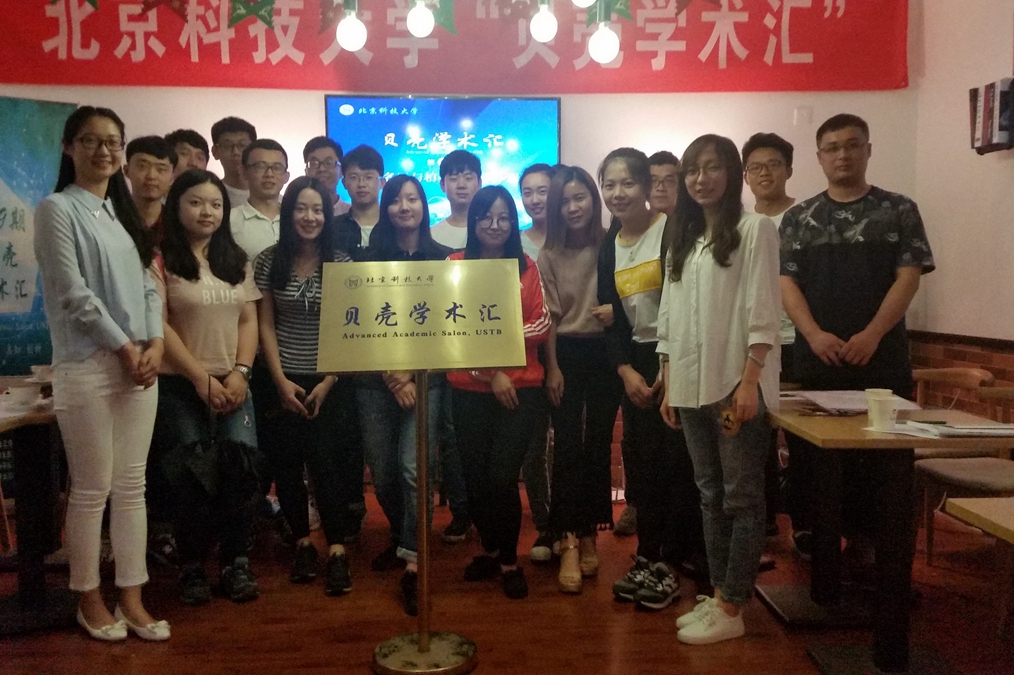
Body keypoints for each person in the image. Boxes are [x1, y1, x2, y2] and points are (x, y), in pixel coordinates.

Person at [779, 115, 934, 655]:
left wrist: (872, 334)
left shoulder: (898, 209)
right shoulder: (799, 217)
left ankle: (875, 563)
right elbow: (787, 282)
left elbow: (908, 277)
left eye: (851, 146)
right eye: (831, 148)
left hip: (881, 361)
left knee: (882, 471)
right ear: (819, 156)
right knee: (815, 467)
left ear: (868, 149)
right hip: (817, 359)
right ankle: (824, 563)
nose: (842, 155)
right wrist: (814, 334)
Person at [34, 106, 169, 641]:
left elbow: (150, 286)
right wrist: (124, 347)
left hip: (139, 364)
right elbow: (73, 294)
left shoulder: (120, 213)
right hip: (89, 366)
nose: (104, 151)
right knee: (92, 489)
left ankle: (131, 597)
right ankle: (88, 598)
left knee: (132, 486)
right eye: (91, 141)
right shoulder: (57, 209)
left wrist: (156, 342)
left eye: (113, 141)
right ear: (69, 148)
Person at [657, 134, 781, 645]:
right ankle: (718, 593)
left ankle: (733, 605)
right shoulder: (684, 236)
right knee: (709, 494)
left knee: (741, 497)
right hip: (689, 385)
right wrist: (669, 382)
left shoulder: (755, 229)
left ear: (732, 173)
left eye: (712, 168)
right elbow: (669, 314)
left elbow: (763, 309)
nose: (700, 179)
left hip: (734, 386)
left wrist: (750, 380)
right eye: (692, 170)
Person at [598, 147, 706, 612]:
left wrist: (668, 368)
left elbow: (686, 306)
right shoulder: (610, 244)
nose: (617, 193)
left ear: (647, 186)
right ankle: (647, 555)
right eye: (609, 184)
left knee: (677, 467)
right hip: (636, 361)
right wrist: (625, 371)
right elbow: (611, 317)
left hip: (678, 357)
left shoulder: (672, 232)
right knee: (643, 467)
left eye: (627, 183)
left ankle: (671, 563)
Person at [152, 169, 262, 606]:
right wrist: (201, 379)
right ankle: (193, 566)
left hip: (233, 383)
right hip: (181, 385)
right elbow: (157, 325)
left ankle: (237, 562)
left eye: (216, 204)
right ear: (176, 206)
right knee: (191, 480)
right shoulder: (160, 260)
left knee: (241, 473)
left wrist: (241, 372)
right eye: (196, 202)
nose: (207, 212)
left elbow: (248, 320)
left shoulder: (235, 260)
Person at [254, 176, 361, 597]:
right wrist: (279, 380)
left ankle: (336, 549)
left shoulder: (342, 263)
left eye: (317, 209)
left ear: (327, 215)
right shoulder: (268, 261)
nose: (309, 217)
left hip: (328, 382)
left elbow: (349, 330)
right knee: (287, 467)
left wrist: (329, 380)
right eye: (301, 208)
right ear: (289, 213)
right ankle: (301, 542)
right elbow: (265, 324)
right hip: (281, 380)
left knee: (327, 466)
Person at [448, 185, 551, 600]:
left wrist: (495, 351)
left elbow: (541, 324)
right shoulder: (454, 265)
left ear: (513, 223)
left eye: (504, 217)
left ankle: (509, 561)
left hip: (521, 391)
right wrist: (491, 372)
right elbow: (452, 330)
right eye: (486, 217)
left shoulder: (526, 267)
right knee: (474, 478)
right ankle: (490, 550)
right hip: (468, 390)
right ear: (474, 222)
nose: (495, 225)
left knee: (502, 477)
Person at [357, 175, 451, 616]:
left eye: (412, 198)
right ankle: (402, 534)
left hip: (427, 380)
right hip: (374, 383)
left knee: (416, 470)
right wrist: (392, 376)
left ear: (424, 206)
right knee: (384, 472)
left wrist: (410, 374)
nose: (404, 206)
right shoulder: (366, 261)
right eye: (395, 200)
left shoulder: (443, 259)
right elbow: (359, 325)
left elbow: (449, 327)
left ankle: (414, 561)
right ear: (386, 208)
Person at [538, 166, 622, 593]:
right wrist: (553, 368)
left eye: (580, 198)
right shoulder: (549, 254)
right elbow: (551, 319)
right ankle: (568, 539)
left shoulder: (613, 243)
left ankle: (589, 532)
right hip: (566, 354)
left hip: (608, 353)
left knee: (598, 444)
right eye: (565, 201)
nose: (573, 207)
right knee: (568, 444)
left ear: (593, 199)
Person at [741, 132, 797, 544]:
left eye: (773, 165)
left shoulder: (803, 219)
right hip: (754, 348)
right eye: (755, 167)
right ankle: (763, 521)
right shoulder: (741, 226)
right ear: (745, 176)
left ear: (789, 170)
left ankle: (806, 524)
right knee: (755, 436)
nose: (764, 173)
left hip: (799, 343)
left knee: (802, 441)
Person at [518, 162, 556, 562]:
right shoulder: (515, 244)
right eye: (527, 192)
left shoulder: (574, 237)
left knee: (569, 445)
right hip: (526, 356)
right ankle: (546, 525)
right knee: (533, 449)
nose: (535, 199)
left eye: (542, 190)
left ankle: (572, 526)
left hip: (571, 355)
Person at [229, 139, 288, 262]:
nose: (269, 174)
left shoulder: (296, 219)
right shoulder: (230, 221)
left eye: (277, 168)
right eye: (260, 166)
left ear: (286, 176)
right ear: (244, 172)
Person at [334, 144, 385, 260]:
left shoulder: (394, 226)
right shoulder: (333, 228)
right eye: (353, 177)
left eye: (368, 177)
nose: (361, 184)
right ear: (344, 183)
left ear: (382, 183)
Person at [124, 136, 176, 239]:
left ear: (172, 178)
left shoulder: (178, 223)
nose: (151, 176)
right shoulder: (111, 217)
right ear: (126, 171)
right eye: (142, 166)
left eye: (161, 169)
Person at [430, 150, 482, 250]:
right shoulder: (431, 235)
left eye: (468, 178)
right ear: (442, 185)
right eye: (453, 178)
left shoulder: (490, 232)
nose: (461, 185)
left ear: (479, 183)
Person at [210, 116, 257, 206]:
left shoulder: (273, 198)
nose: (236, 152)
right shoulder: (210, 194)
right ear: (215, 152)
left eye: (242, 145)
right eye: (227, 146)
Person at [303, 136, 352, 217]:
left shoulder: (352, 214)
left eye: (329, 163)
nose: (321, 169)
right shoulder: (297, 214)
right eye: (314, 163)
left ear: (341, 171)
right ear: (306, 171)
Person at [648, 151, 680, 216]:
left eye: (669, 181)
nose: (661, 188)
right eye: (653, 180)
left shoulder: (692, 222)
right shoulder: (633, 221)